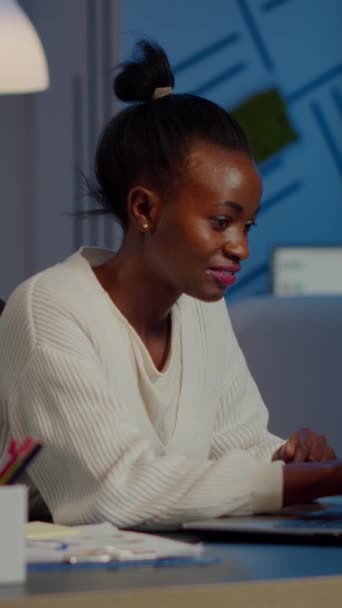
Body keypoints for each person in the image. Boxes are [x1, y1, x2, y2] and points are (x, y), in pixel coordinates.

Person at [0, 41, 340, 528]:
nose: (240, 247)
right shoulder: (50, 309)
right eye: (222, 221)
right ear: (144, 209)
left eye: (248, 227)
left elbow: (235, 444)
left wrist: (286, 461)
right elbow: (117, 492)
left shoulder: (199, 305)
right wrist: (304, 483)